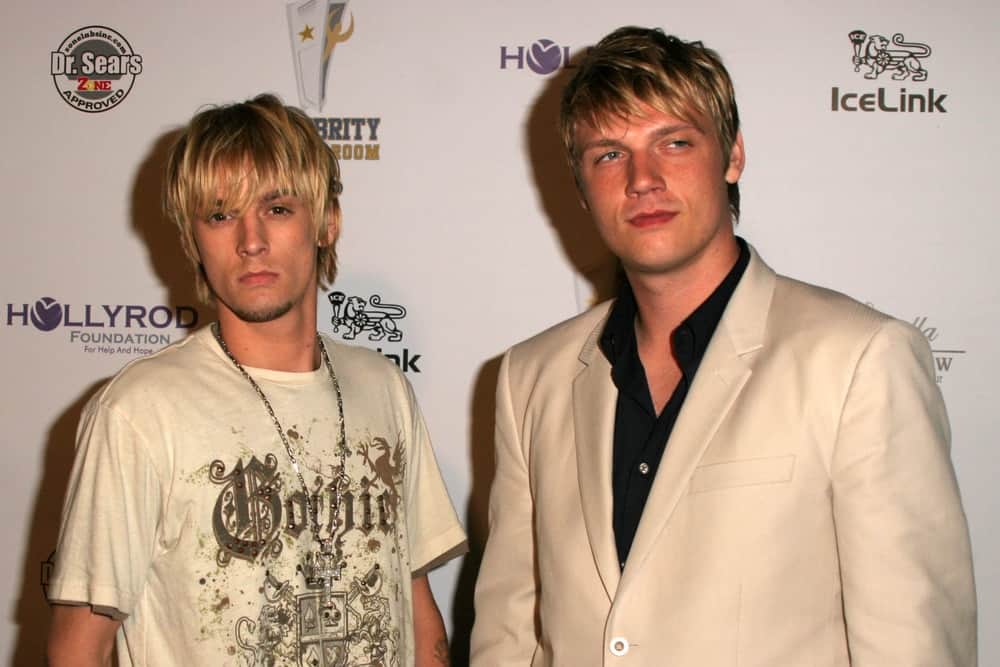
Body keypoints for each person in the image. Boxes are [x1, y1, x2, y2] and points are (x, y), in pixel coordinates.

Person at [471, 26, 976, 666]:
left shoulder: (858, 360)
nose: (642, 179)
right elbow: (510, 635)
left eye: (674, 142)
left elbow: (914, 646)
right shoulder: (529, 378)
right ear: (580, 188)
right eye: (608, 154)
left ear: (732, 156)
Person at [46, 94, 466, 666]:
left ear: (326, 223)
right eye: (220, 215)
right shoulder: (140, 410)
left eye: (277, 208)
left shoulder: (383, 386)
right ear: (194, 240)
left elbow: (414, 607)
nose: (250, 241)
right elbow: (78, 647)